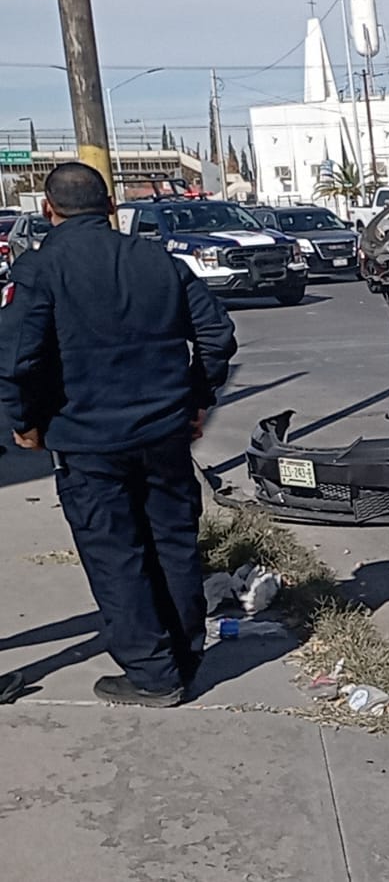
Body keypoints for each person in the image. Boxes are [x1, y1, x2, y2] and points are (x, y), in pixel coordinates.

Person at [0, 162, 237, 708]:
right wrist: (198, 398)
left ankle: (154, 675)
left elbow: (15, 359)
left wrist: (24, 422)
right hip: (165, 432)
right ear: (111, 207)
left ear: (47, 211)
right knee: (173, 543)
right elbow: (217, 334)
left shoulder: (40, 270)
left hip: (87, 441)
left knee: (116, 552)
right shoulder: (157, 259)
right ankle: (183, 656)